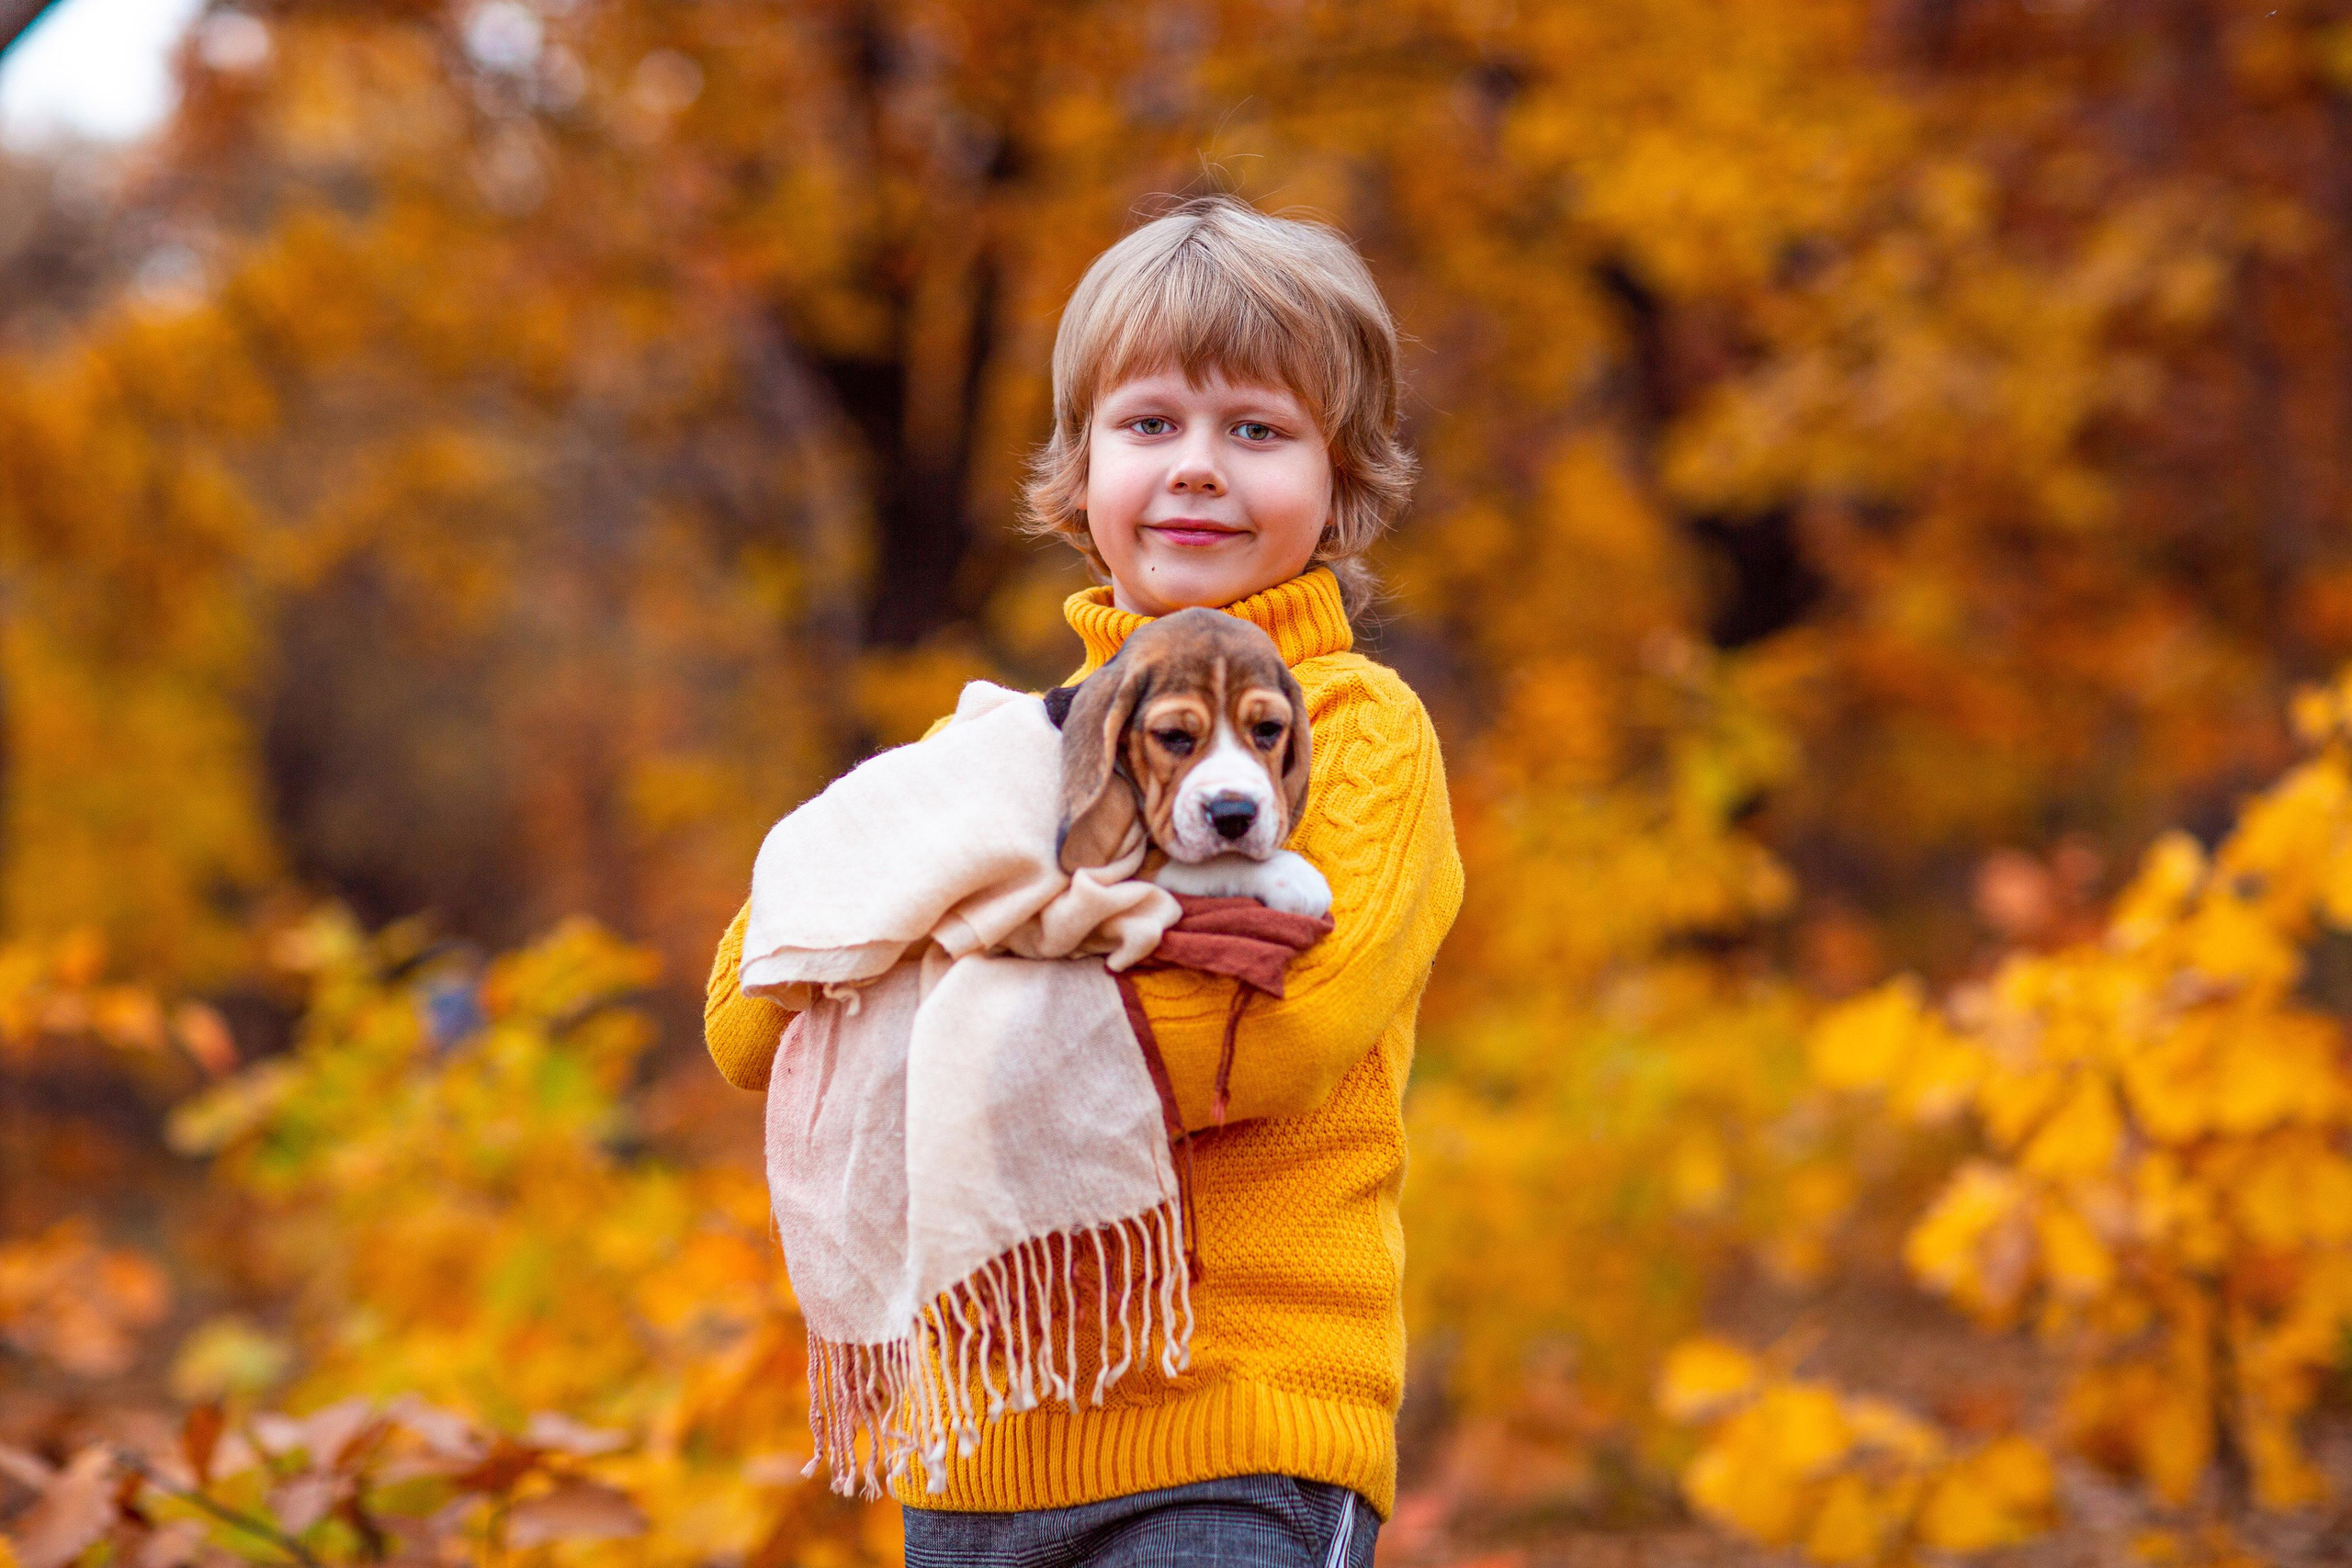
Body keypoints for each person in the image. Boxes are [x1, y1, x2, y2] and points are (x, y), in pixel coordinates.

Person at [702, 194, 1463, 1567]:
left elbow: (1275, 1028)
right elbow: (755, 1011)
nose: (1199, 470)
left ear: (1340, 478)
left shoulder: (1359, 733)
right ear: (1081, 468)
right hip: (978, 1447)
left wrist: (943, 983)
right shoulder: (995, 751)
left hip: (1237, 1434)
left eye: (1257, 431)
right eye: (1151, 423)